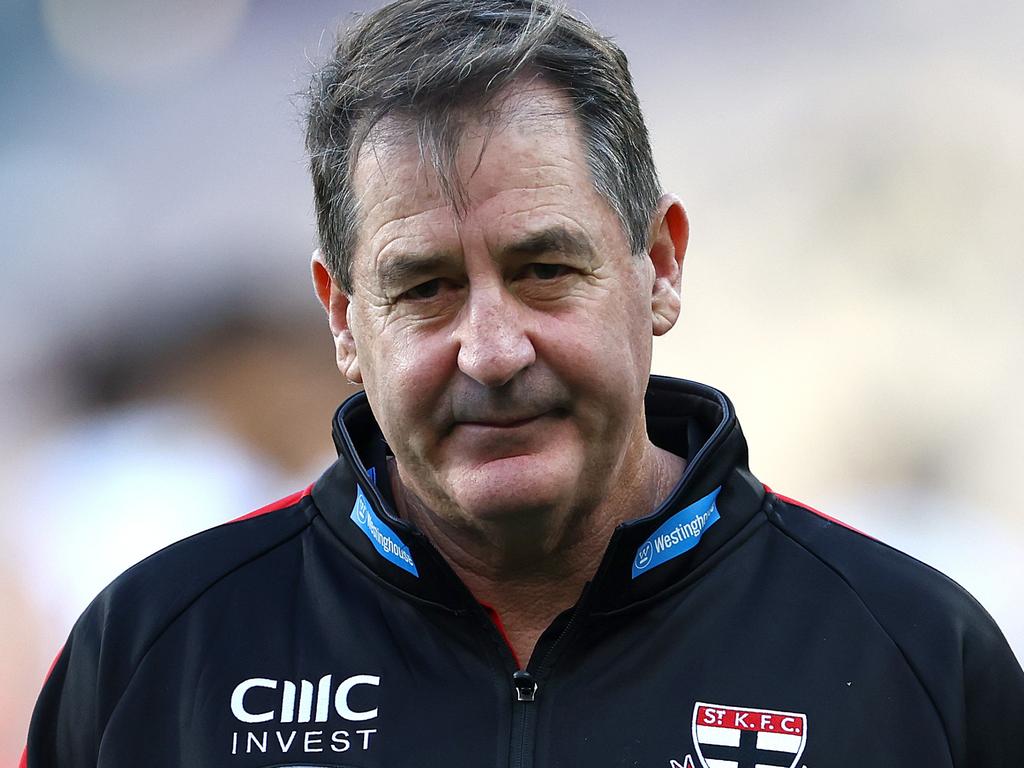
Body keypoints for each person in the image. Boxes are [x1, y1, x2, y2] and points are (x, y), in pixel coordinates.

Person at [24, 1, 1024, 766]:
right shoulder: (157, 650)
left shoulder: (917, 655)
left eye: (546, 270)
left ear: (659, 267)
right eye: (424, 288)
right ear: (341, 317)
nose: (492, 350)